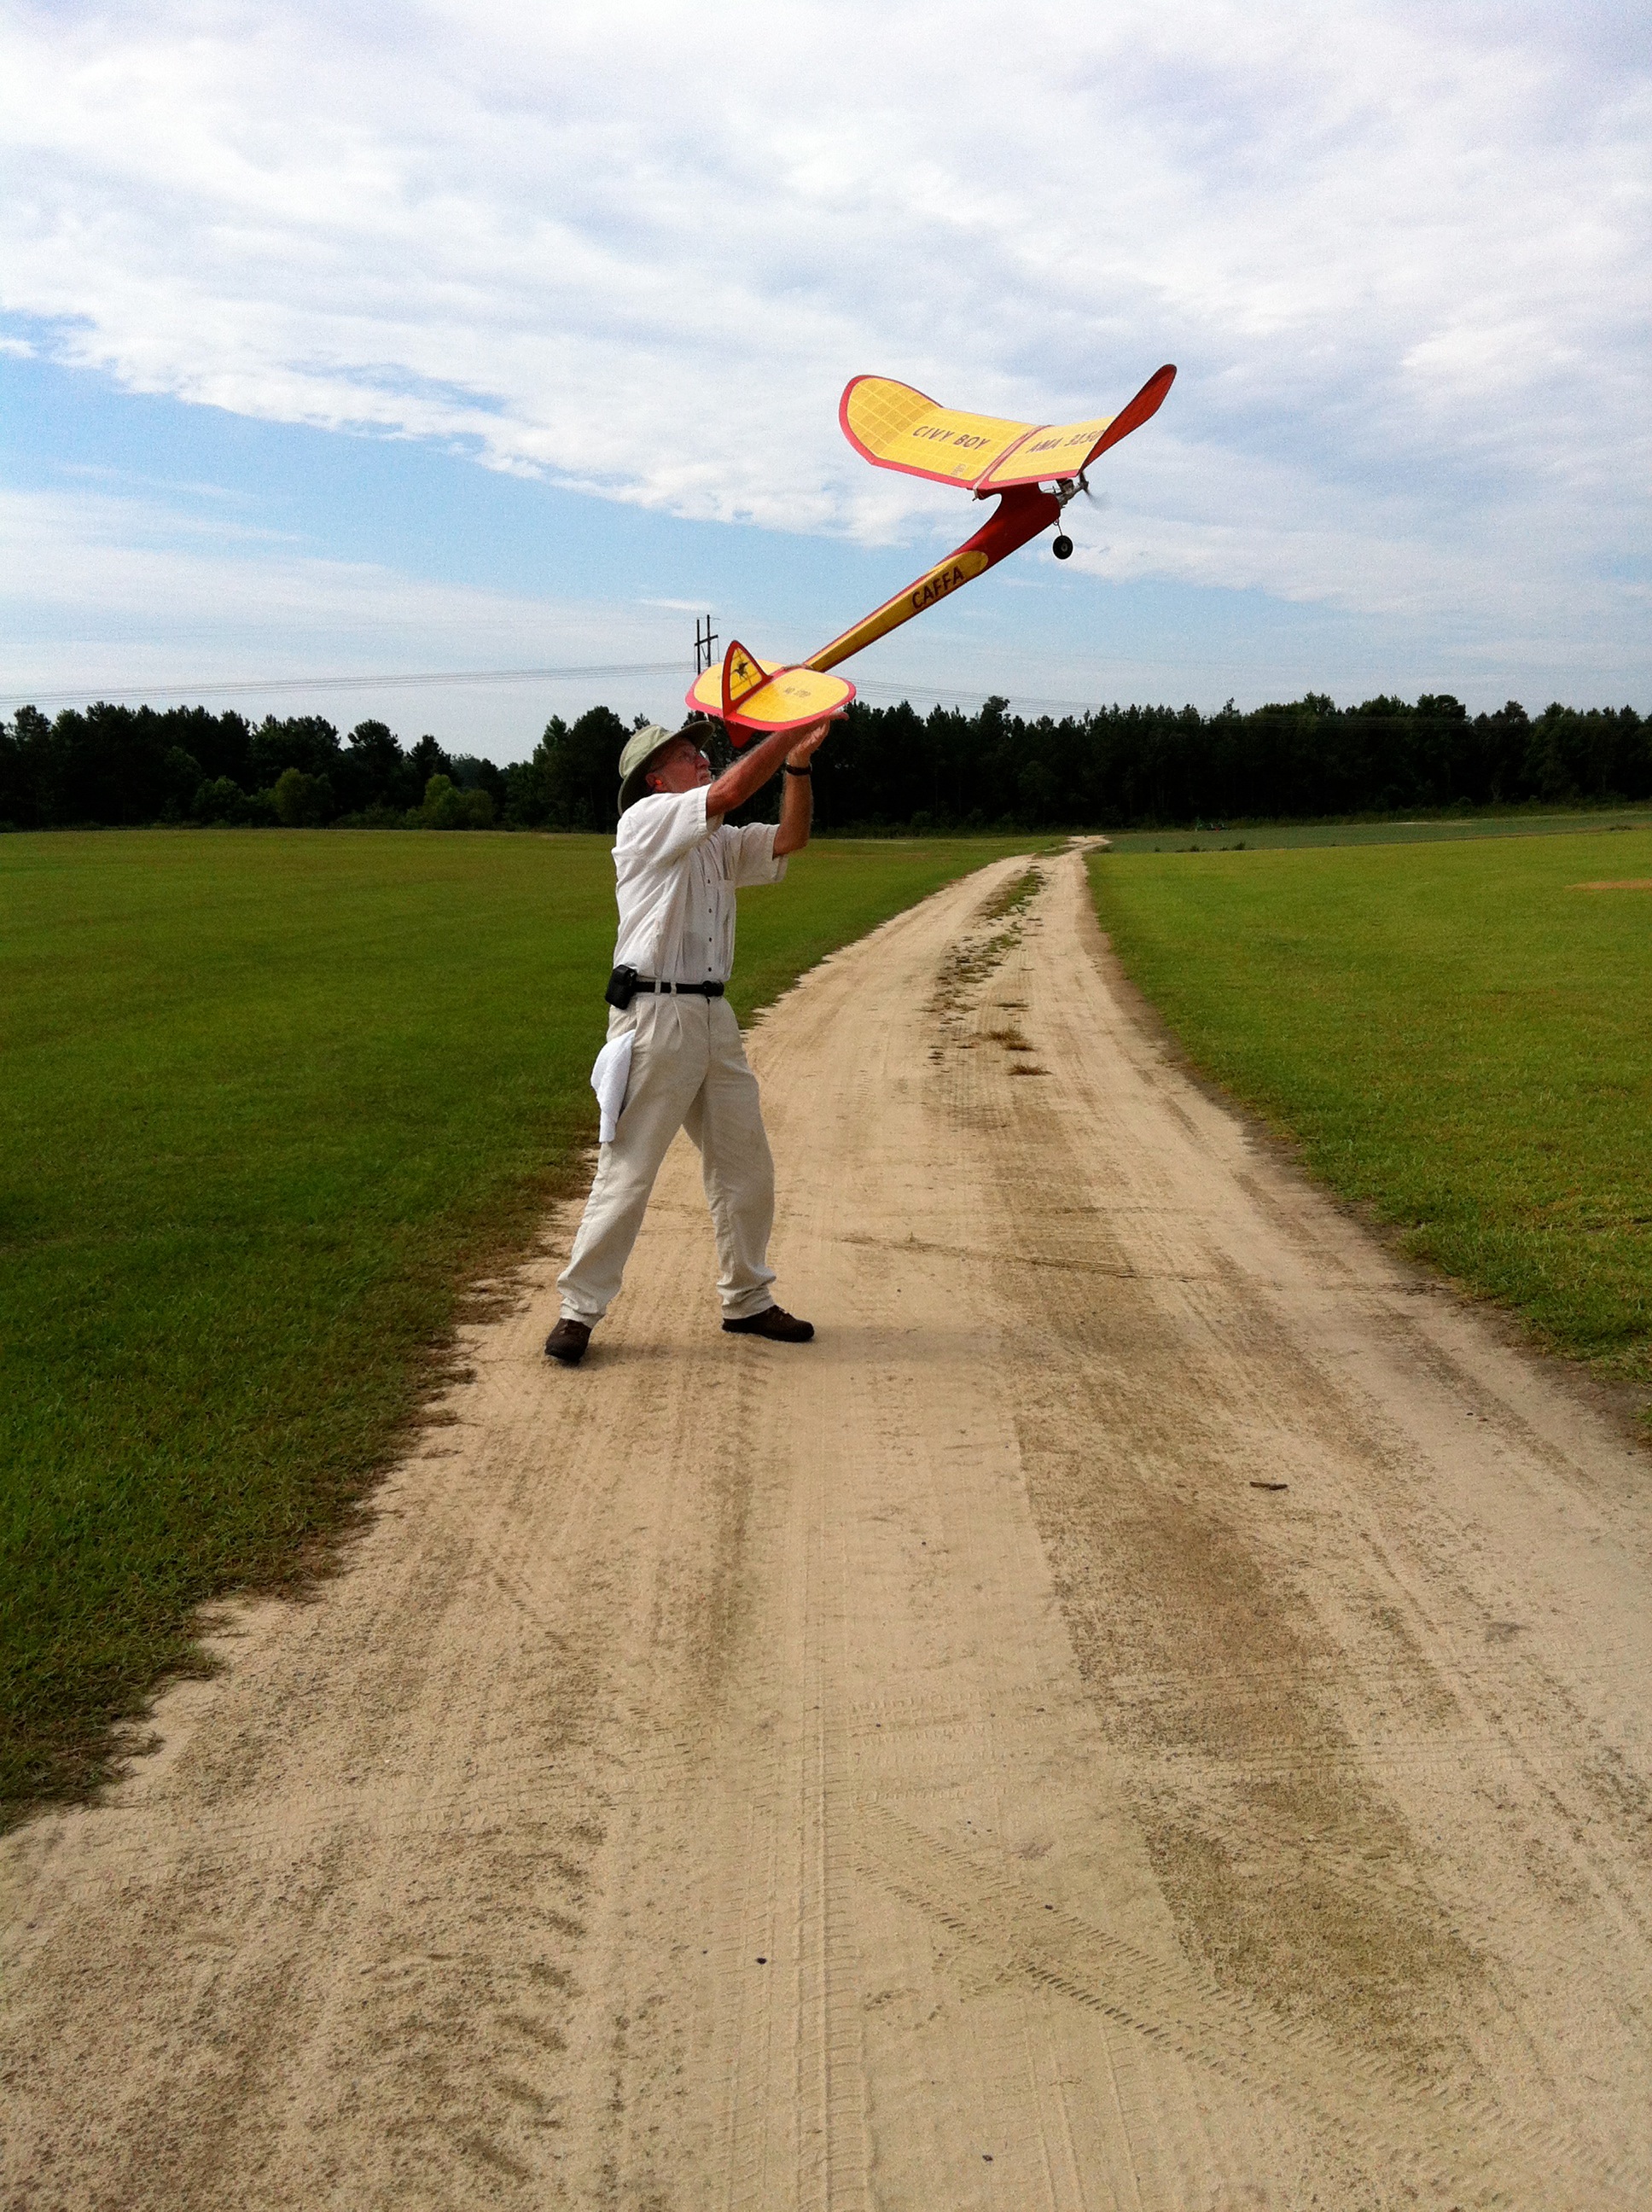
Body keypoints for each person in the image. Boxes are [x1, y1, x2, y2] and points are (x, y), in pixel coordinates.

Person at [544, 712, 833, 1365]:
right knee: (628, 1172)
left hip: (713, 1016)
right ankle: (578, 1312)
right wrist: (785, 729)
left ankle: (748, 1300)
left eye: (701, 755)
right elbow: (729, 793)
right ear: (654, 780)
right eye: (685, 756)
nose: (702, 760)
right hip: (653, 1014)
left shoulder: (716, 841)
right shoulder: (643, 822)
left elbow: (791, 837)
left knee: (745, 1168)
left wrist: (797, 762)